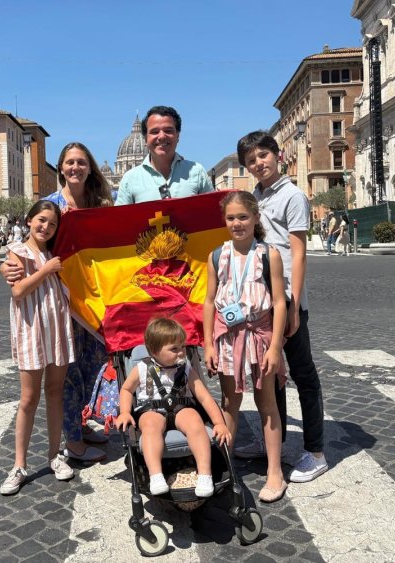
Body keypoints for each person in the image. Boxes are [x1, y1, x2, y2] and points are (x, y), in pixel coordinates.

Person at [235, 130, 328, 484]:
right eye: (251, 160)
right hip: (262, 296)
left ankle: (316, 451)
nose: (259, 163)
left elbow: (299, 252)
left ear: (278, 155)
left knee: (303, 371)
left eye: (263, 156)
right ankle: (275, 441)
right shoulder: (256, 197)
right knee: (269, 372)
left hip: (287, 296)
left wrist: (293, 306)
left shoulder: (292, 196)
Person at [203, 191, 288, 502]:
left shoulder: (270, 255)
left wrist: (275, 346)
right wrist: (208, 344)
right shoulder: (216, 256)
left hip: (261, 337)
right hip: (227, 339)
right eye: (230, 218)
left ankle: (275, 471)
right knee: (229, 402)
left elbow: (279, 303)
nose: (236, 223)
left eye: (242, 217)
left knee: (268, 404)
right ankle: (224, 466)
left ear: (255, 218)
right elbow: (209, 301)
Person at [42, 142, 112, 461]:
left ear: (90, 168)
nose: (75, 168)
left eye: (81, 162)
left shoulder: (101, 205)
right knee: (69, 368)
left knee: (94, 363)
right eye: (69, 162)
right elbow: (31, 243)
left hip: (95, 297)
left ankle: (82, 422)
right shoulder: (50, 205)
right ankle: (71, 440)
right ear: (61, 167)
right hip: (62, 300)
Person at [0, 200, 75, 495]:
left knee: (55, 393)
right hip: (31, 329)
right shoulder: (17, 251)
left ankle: (54, 455)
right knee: (28, 399)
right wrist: (47, 269)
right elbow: (18, 291)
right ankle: (19, 465)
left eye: (53, 223)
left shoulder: (54, 251)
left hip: (56, 327)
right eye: (41, 220)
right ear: (30, 220)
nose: (46, 227)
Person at [116, 317, 230, 497]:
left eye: (183, 347)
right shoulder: (142, 368)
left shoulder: (186, 369)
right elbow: (127, 389)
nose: (181, 352)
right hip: (151, 409)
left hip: (181, 407)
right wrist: (124, 412)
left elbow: (204, 397)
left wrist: (219, 423)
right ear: (154, 351)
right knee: (150, 426)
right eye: (174, 349)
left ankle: (205, 474)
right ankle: (156, 475)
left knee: (194, 421)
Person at [115, 106, 213, 204]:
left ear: (178, 136)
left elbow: (213, 212)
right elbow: (120, 218)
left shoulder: (197, 172)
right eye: (155, 132)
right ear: (145, 139)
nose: (161, 136)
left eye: (168, 131)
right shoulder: (130, 179)